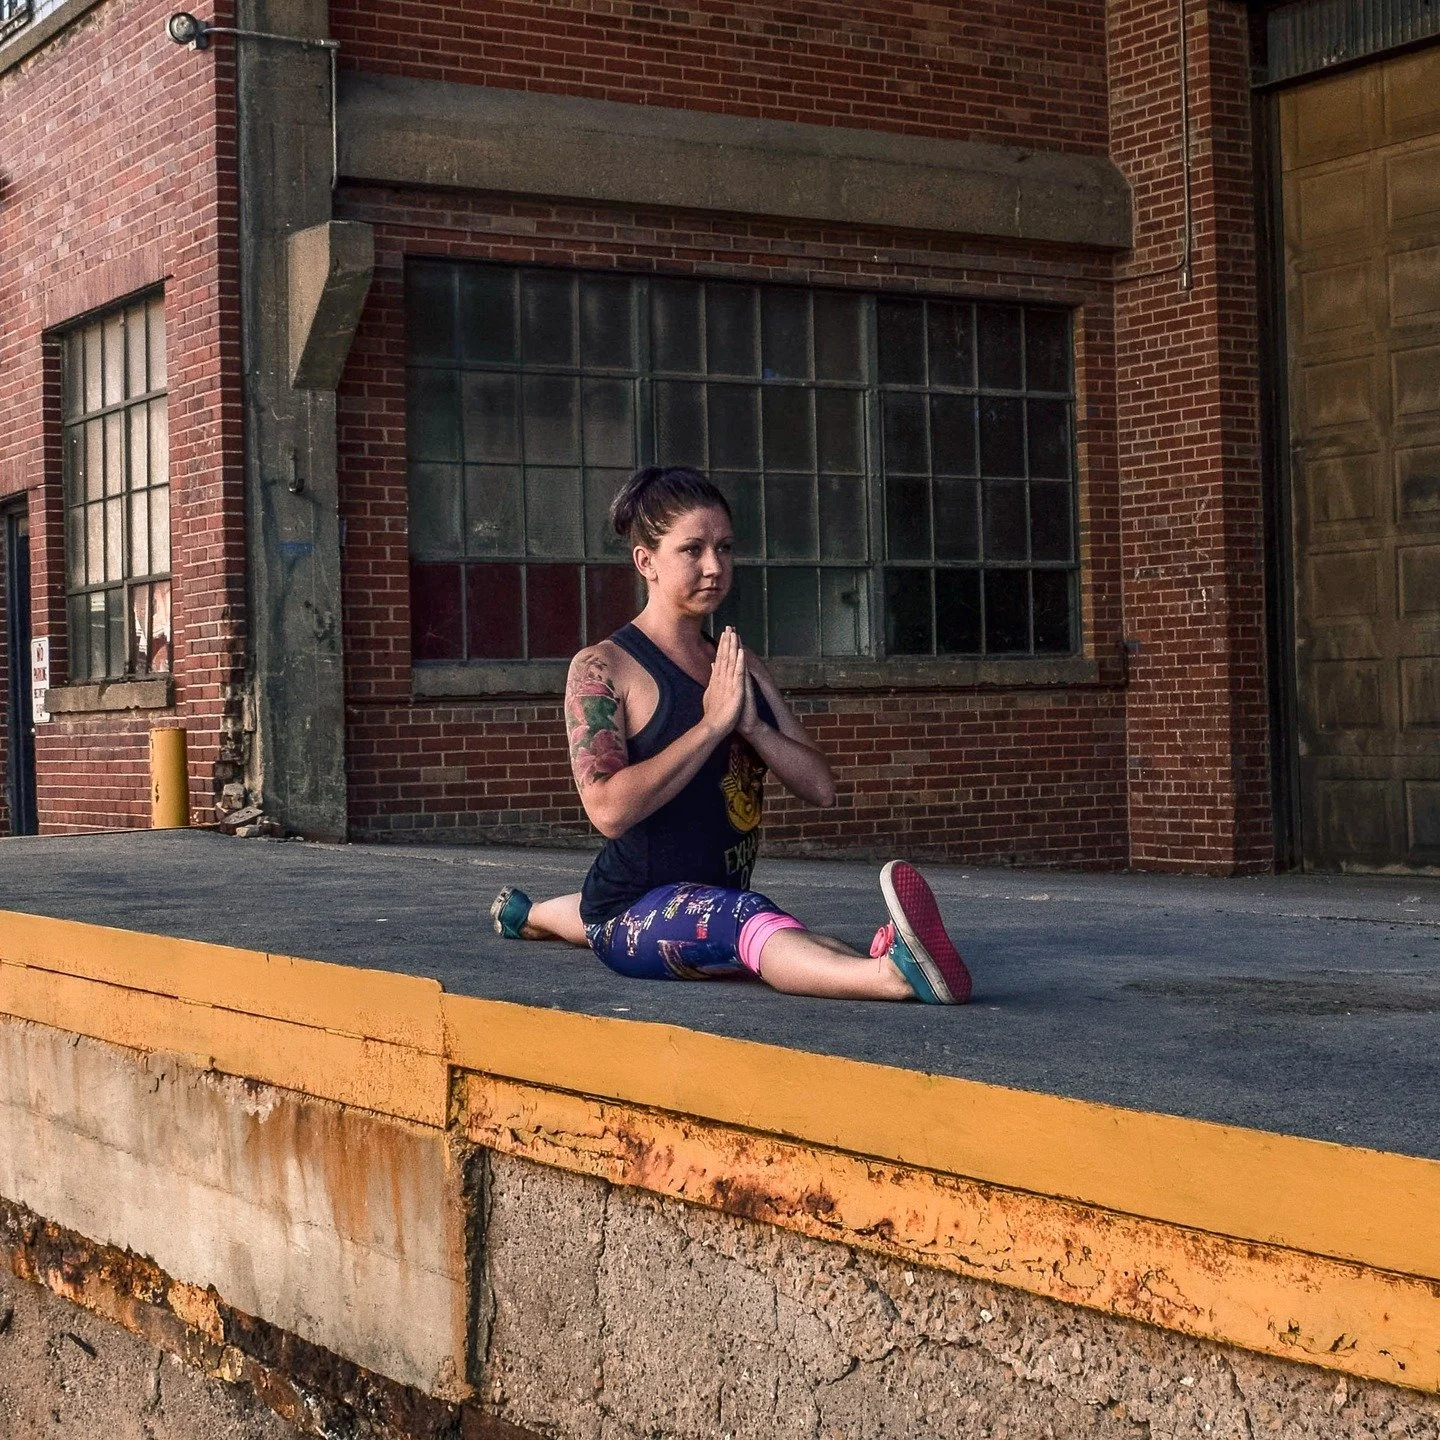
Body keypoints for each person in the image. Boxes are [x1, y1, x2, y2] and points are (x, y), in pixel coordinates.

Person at [490, 465, 971, 1004]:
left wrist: (753, 726)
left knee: (765, 924)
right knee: (749, 924)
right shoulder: (603, 668)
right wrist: (712, 724)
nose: (714, 567)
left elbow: (821, 787)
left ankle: (524, 914)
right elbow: (607, 811)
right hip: (630, 911)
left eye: (725, 547)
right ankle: (890, 977)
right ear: (645, 561)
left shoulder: (739, 663)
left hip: (708, 899)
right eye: (691, 550)